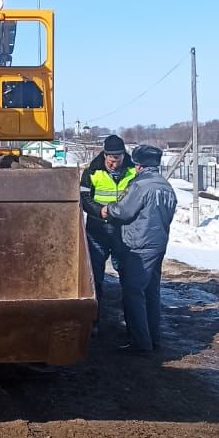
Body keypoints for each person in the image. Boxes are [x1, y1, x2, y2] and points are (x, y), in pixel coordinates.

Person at [102, 143, 177, 353]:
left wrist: (109, 209)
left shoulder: (140, 185)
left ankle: (140, 344)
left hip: (139, 245)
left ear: (139, 165)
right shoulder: (165, 185)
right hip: (158, 244)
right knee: (151, 292)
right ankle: (154, 339)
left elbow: (124, 212)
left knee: (133, 292)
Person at [78, 135, 136, 323]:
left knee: (128, 276)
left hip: (123, 232)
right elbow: (84, 198)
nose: (113, 163)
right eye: (110, 159)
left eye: (117, 159)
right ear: (104, 155)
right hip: (98, 231)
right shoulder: (92, 172)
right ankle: (94, 320)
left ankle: (130, 319)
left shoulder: (133, 171)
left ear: (122, 156)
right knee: (95, 277)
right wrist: (98, 211)